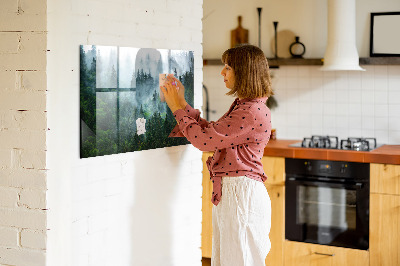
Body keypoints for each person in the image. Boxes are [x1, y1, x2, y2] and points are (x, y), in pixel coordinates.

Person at [161, 44, 273, 266]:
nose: (222, 72)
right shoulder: (246, 106)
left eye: (228, 67)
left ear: (244, 72)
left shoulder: (250, 111)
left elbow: (204, 141)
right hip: (236, 193)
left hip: (241, 195)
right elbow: (212, 133)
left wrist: (176, 107)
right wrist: (182, 103)